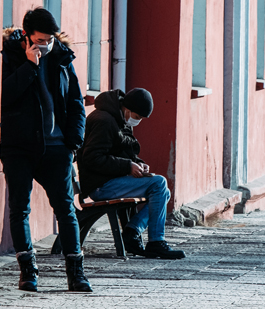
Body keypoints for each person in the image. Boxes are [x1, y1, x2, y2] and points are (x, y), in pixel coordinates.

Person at [0, 8, 91, 292]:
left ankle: (76, 273)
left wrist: (73, 142)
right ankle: (28, 272)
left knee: (65, 209)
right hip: (20, 147)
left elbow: (76, 102)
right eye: (40, 39)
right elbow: (4, 96)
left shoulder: (62, 57)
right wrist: (29, 65)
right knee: (19, 209)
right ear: (27, 36)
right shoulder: (10, 56)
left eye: (49, 39)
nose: (45, 44)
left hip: (56, 147)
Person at [78, 88, 185, 259]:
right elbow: (92, 158)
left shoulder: (118, 118)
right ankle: (155, 242)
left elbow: (124, 152)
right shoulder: (104, 121)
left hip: (111, 180)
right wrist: (128, 166)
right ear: (127, 109)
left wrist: (139, 165)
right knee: (159, 184)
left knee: (163, 191)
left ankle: (132, 231)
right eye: (137, 117)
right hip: (100, 186)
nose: (137, 121)